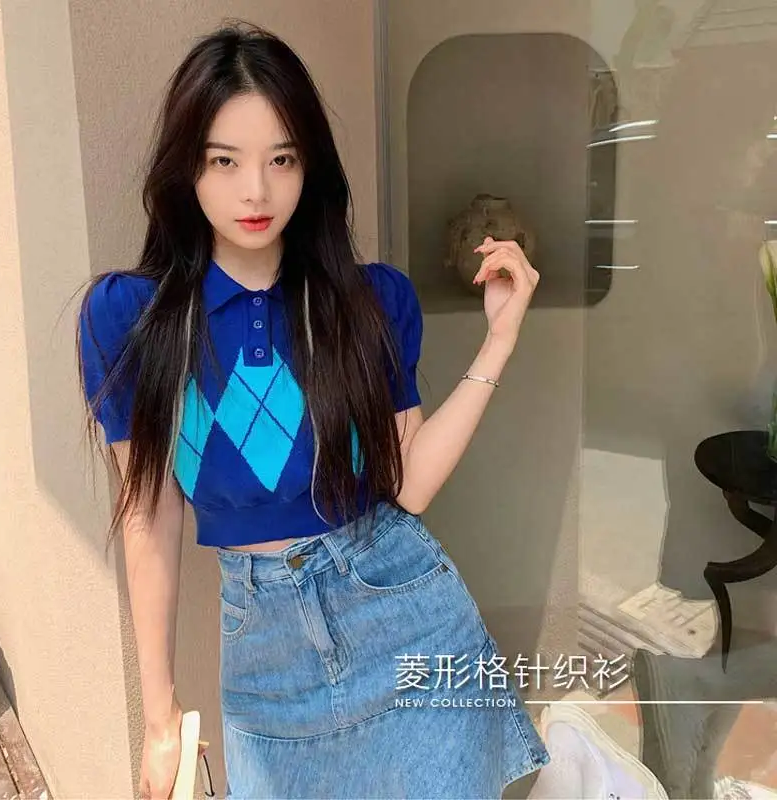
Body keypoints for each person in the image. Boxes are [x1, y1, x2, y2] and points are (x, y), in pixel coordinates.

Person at [76, 20, 547, 800]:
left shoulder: (371, 301)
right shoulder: (133, 319)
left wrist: (498, 342)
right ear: (187, 167)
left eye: (281, 159)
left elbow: (409, 486)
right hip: (263, 653)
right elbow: (148, 515)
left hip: (401, 611)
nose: (255, 191)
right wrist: (159, 716)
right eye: (224, 161)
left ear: (309, 166)